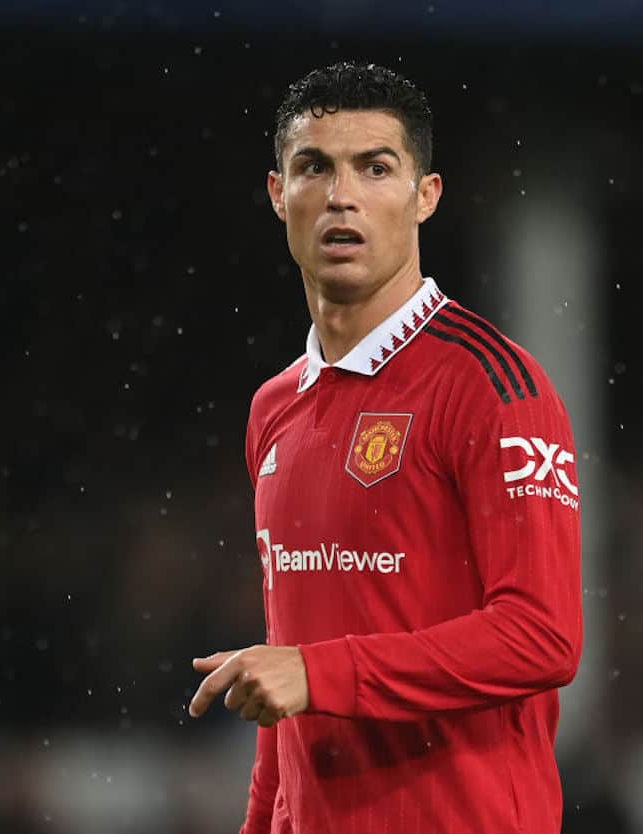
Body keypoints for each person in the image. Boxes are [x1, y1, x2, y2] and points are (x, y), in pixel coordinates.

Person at [187, 61, 584, 834]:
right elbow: (289, 669)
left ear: (424, 196)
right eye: (315, 167)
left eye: (376, 167)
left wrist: (317, 671)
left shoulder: (493, 386)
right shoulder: (274, 409)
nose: (342, 195)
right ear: (278, 195)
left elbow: (542, 637)